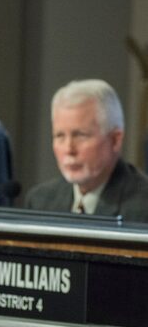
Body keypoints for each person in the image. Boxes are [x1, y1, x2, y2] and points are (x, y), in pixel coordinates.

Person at [24, 79, 148, 221]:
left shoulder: (143, 208)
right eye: (60, 136)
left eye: (80, 135)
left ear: (115, 140)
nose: (69, 149)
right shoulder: (40, 202)